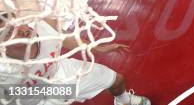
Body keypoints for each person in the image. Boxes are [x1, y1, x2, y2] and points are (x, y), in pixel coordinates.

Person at [0, 13, 150, 105]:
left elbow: (66, 38)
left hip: (60, 70)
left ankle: (123, 101)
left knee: (117, 80)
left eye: (18, 24)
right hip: (33, 98)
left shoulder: (43, 26)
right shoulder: (3, 73)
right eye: (10, 32)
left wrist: (96, 47)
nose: (24, 30)